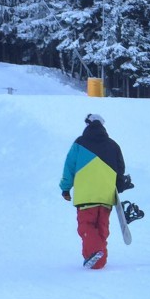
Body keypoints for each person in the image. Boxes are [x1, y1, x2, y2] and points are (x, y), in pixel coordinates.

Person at [59, 113, 133, 270]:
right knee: (102, 227)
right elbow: (120, 169)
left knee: (86, 227)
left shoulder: (79, 144)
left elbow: (69, 167)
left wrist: (65, 188)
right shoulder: (113, 145)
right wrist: (119, 186)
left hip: (86, 196)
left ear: (88, 125)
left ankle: (96, 254)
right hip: (106, 196)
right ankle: (97, 261)